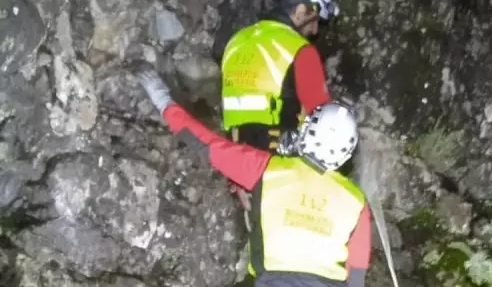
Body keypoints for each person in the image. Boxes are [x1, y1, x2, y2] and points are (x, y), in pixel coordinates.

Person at [131, 61, 371, 287]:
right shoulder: (356, 202)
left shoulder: (267, 169)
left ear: (307, 132)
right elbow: (357, 274)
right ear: (345, 153)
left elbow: (206, 142)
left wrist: (162, 97)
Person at [214, 0, 341, 212]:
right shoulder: (300, 51)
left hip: (238, 167)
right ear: (302, 9)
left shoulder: (236, 42)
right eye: (315, 20)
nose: (315, 31)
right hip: (279, 172)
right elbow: (324, 121)